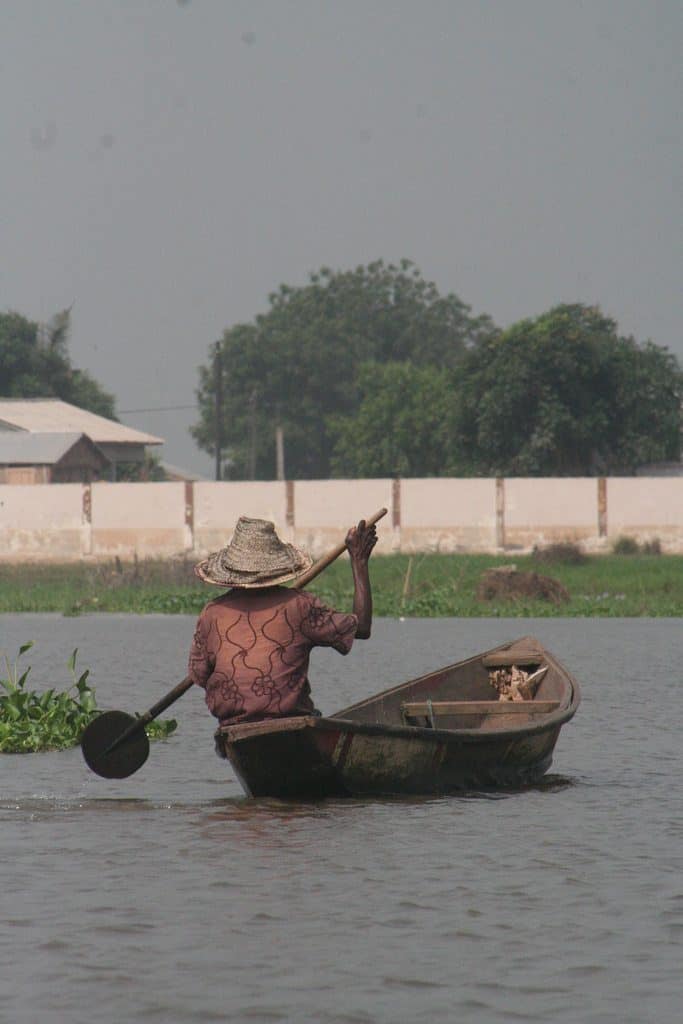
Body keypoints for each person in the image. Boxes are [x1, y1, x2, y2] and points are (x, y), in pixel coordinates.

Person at [187, 515, 377, 731]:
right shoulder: (299, 605)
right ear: (277, 568)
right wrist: (359, 561)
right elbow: (361, 627)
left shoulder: (212, 613)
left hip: (233, 724)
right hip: (289, 723)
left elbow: (199, 674)